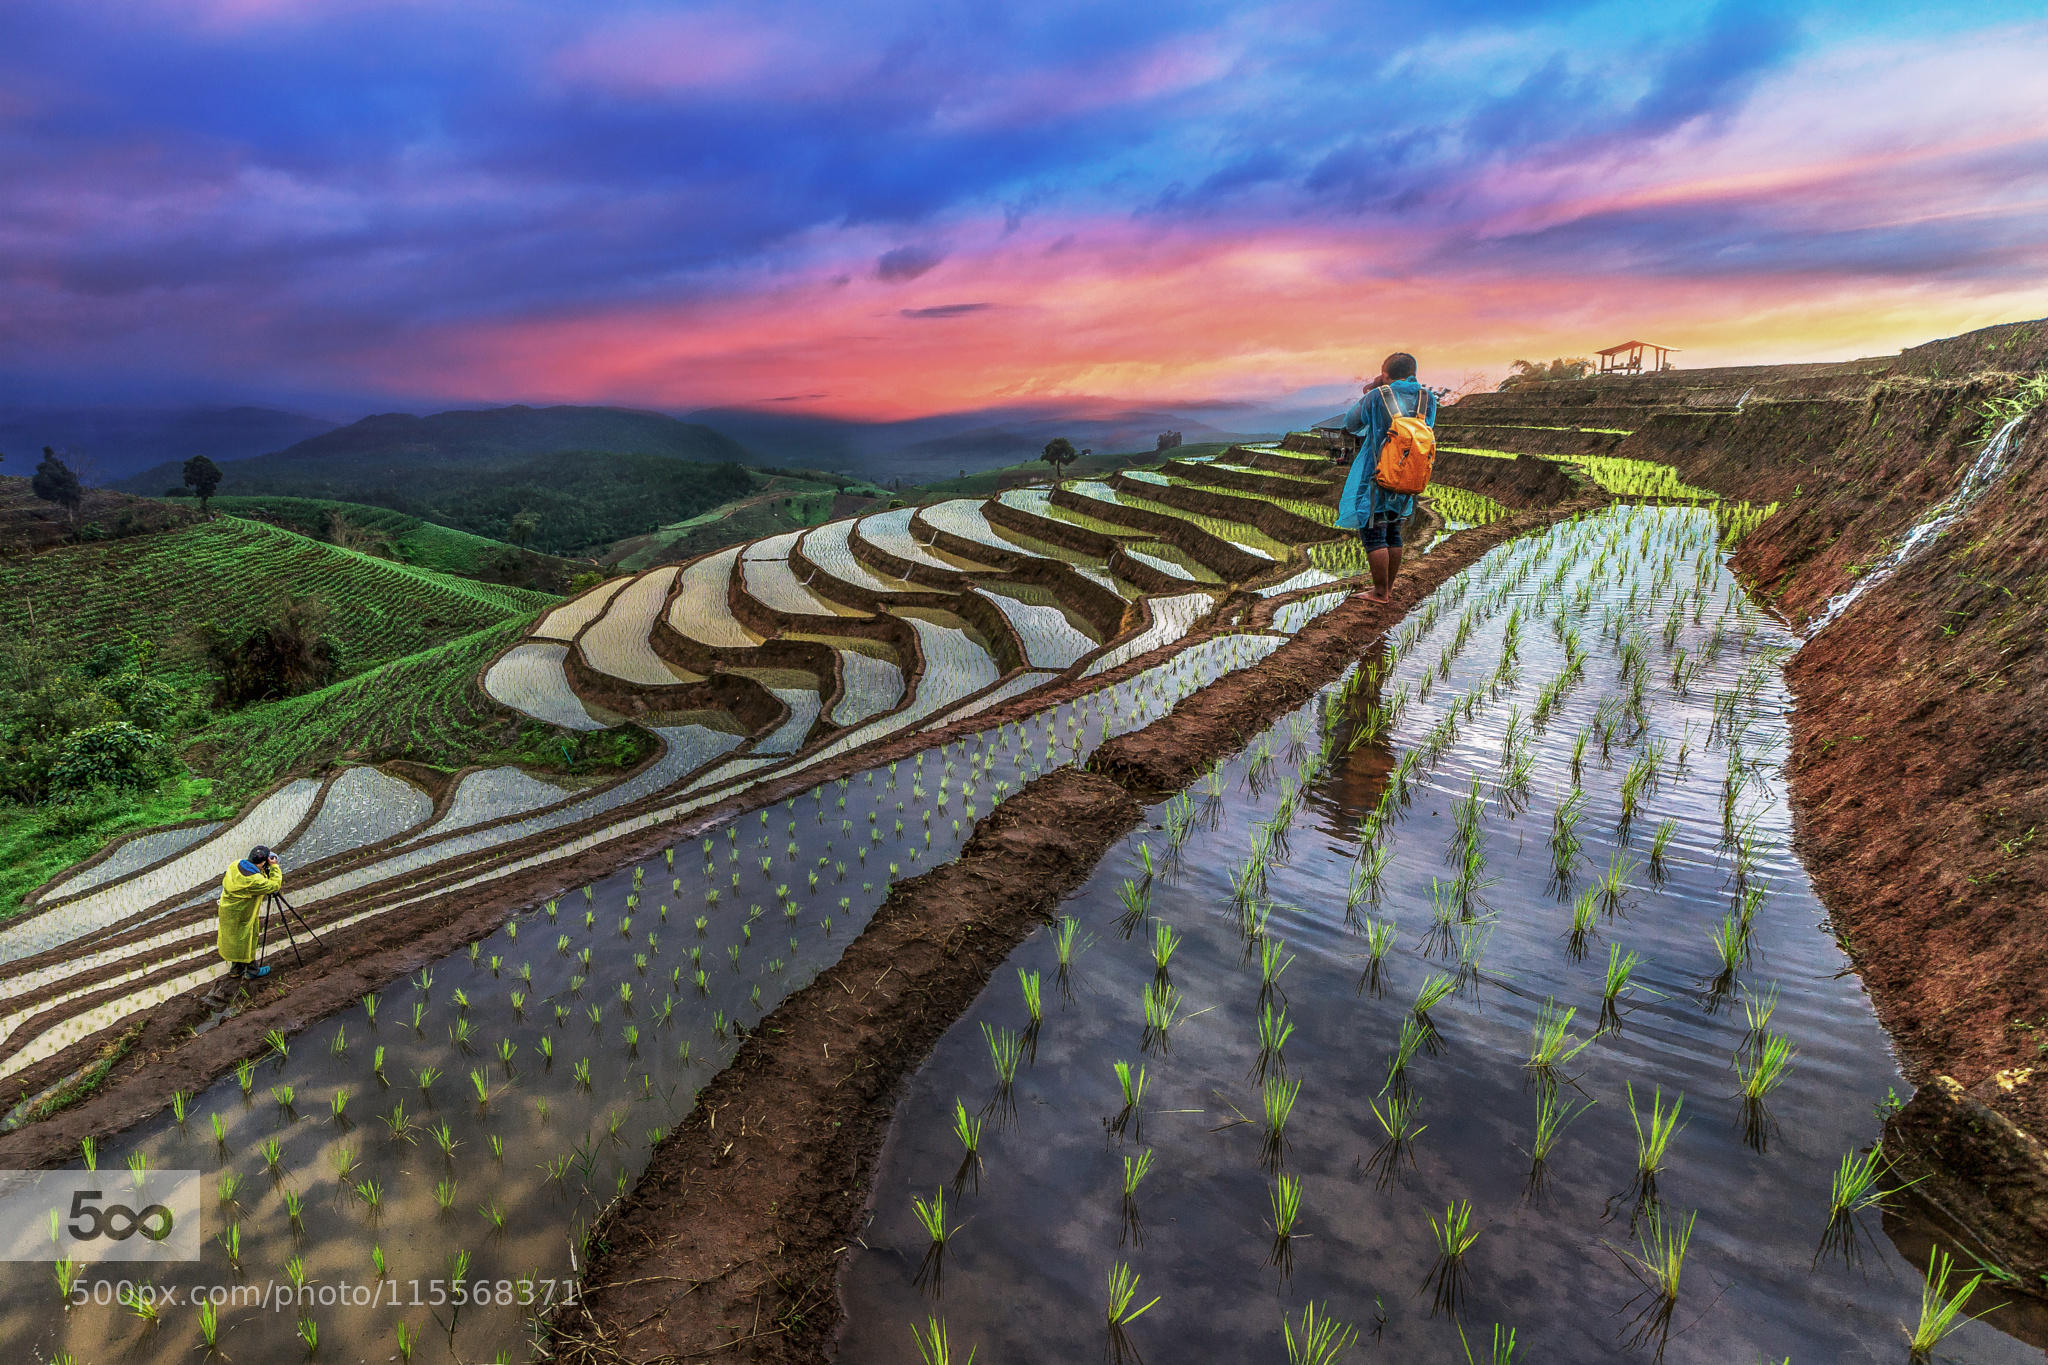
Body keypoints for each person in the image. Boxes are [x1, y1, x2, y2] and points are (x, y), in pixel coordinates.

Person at [1334, 352, 1439, 602]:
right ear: (1414, 371)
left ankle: (1380, 592)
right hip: (1409, 474)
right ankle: (1388, 589)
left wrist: (1373, 389)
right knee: (1393, 531)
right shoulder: (1428, 398)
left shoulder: (1377, 395)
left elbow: (1351, 423)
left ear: (1385, 373)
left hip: (1377, 474)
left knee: (1373, 531)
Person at [217, 845, 283, 981]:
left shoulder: (235, 865)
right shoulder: (255, 881)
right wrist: (275, 867)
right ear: (263, 862)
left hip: (227, 911)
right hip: (243, 914)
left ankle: (236, 969)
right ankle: (252, 971)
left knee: (233, 940)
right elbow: (274, 885)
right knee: (247, 939)